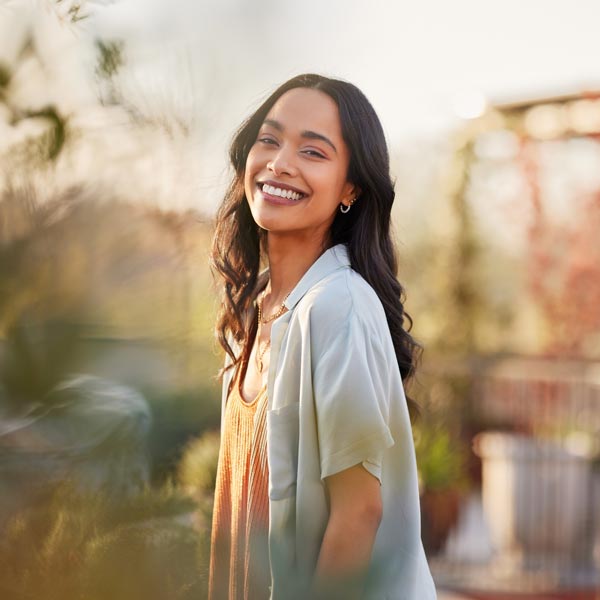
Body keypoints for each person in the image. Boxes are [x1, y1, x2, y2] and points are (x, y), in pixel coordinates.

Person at [208, 73, 437, 600]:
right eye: (269, 140)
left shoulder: (339, 306)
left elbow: (358, 513)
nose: (280, 163)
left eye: (313, 151)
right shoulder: (254, 310)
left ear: (350, 188)